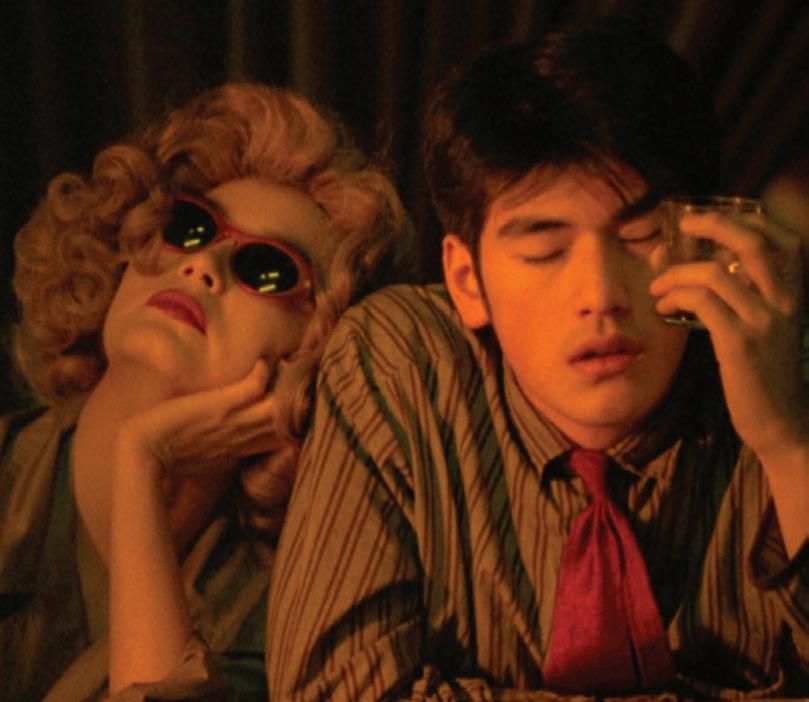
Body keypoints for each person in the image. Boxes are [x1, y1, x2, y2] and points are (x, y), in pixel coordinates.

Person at [266, 20, 808, 700]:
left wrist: (787, 442)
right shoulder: (406, 363)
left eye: (640, 236)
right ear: (467, 281)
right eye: (545, 251)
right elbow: (331, 690)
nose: (600, 296)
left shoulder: (771, 354)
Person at [0, 82, 411, 701]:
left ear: (316, 353)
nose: (204, 267)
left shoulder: (296, 602)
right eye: (189, 226)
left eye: (266, 268)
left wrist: (142, 461)